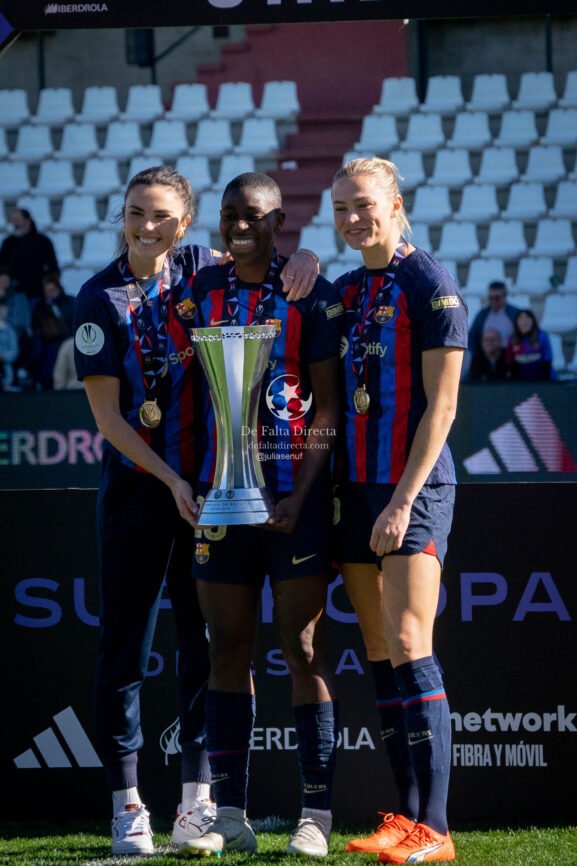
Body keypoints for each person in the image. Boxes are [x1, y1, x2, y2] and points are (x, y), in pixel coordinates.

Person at [72, 165, 320, 857]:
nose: (145, 226)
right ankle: (127, 805)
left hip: (211, 490)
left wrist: (304, 255)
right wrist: (170, 480)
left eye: (160, 216)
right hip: (141, 492)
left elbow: (260, 251)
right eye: (135, 212)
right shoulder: (97, 298)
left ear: (184, 224)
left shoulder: (198, 270)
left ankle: (195, 800)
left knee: (200, 645)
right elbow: (108, 420)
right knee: (125, 648)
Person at [181, 173, 342, 859]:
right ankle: (230, 815)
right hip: (221, 501)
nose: (238, 226)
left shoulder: (310, 294)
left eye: (252, 216)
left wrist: (298, 496)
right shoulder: (200, 291)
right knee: (226, 650)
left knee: (303, 648)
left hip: (291, 504)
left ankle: (316, 815)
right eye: (229, 215)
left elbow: (327, 408)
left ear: (278, 221)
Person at [330, 158, 468, 864]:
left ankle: (435, 829)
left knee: (412, 644)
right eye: (341, 208)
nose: (353, 218)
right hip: (353, 491)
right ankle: (405, 816)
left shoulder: (430, 285)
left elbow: (442, 408)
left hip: (409, 490)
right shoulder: (348, 288)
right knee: (381, 650)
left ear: (394, 203)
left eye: (364, 204)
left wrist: (403, 500)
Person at [0, 208, 59, 300]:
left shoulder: (43, 242)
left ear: (27, 221)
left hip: (38, 293)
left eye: (17, 220)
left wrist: (49, 283)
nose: (15, 224)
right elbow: (2, 266)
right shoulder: (8, 243)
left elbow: (53, 267)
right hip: (13, 293)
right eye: (13, 221)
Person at [30, 274, 75, 389]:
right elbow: (36, 328)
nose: (50, 293)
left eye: (52, 290)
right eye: (47, 291)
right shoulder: (40, 306)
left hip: (67, 342)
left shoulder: (69, 303)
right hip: (48, 346)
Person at [468, 280, 519, 358]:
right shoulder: (482, 315)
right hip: (486, 358)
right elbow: (472, 336)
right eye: (491, 298)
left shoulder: (515, 314)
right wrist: (476, 356)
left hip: (510, 357)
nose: (493, 301)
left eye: (497, 298)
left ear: (505, 296)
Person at [506, 309, 556, 381]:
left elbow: (547, 361)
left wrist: (543, 382)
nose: (524, 322)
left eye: (527, 318)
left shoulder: (542, 336)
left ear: (533, 321)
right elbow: (510, 363)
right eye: (521, 319)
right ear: (516, 323)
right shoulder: (512, 340)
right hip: (523, 381)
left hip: (544, 379)